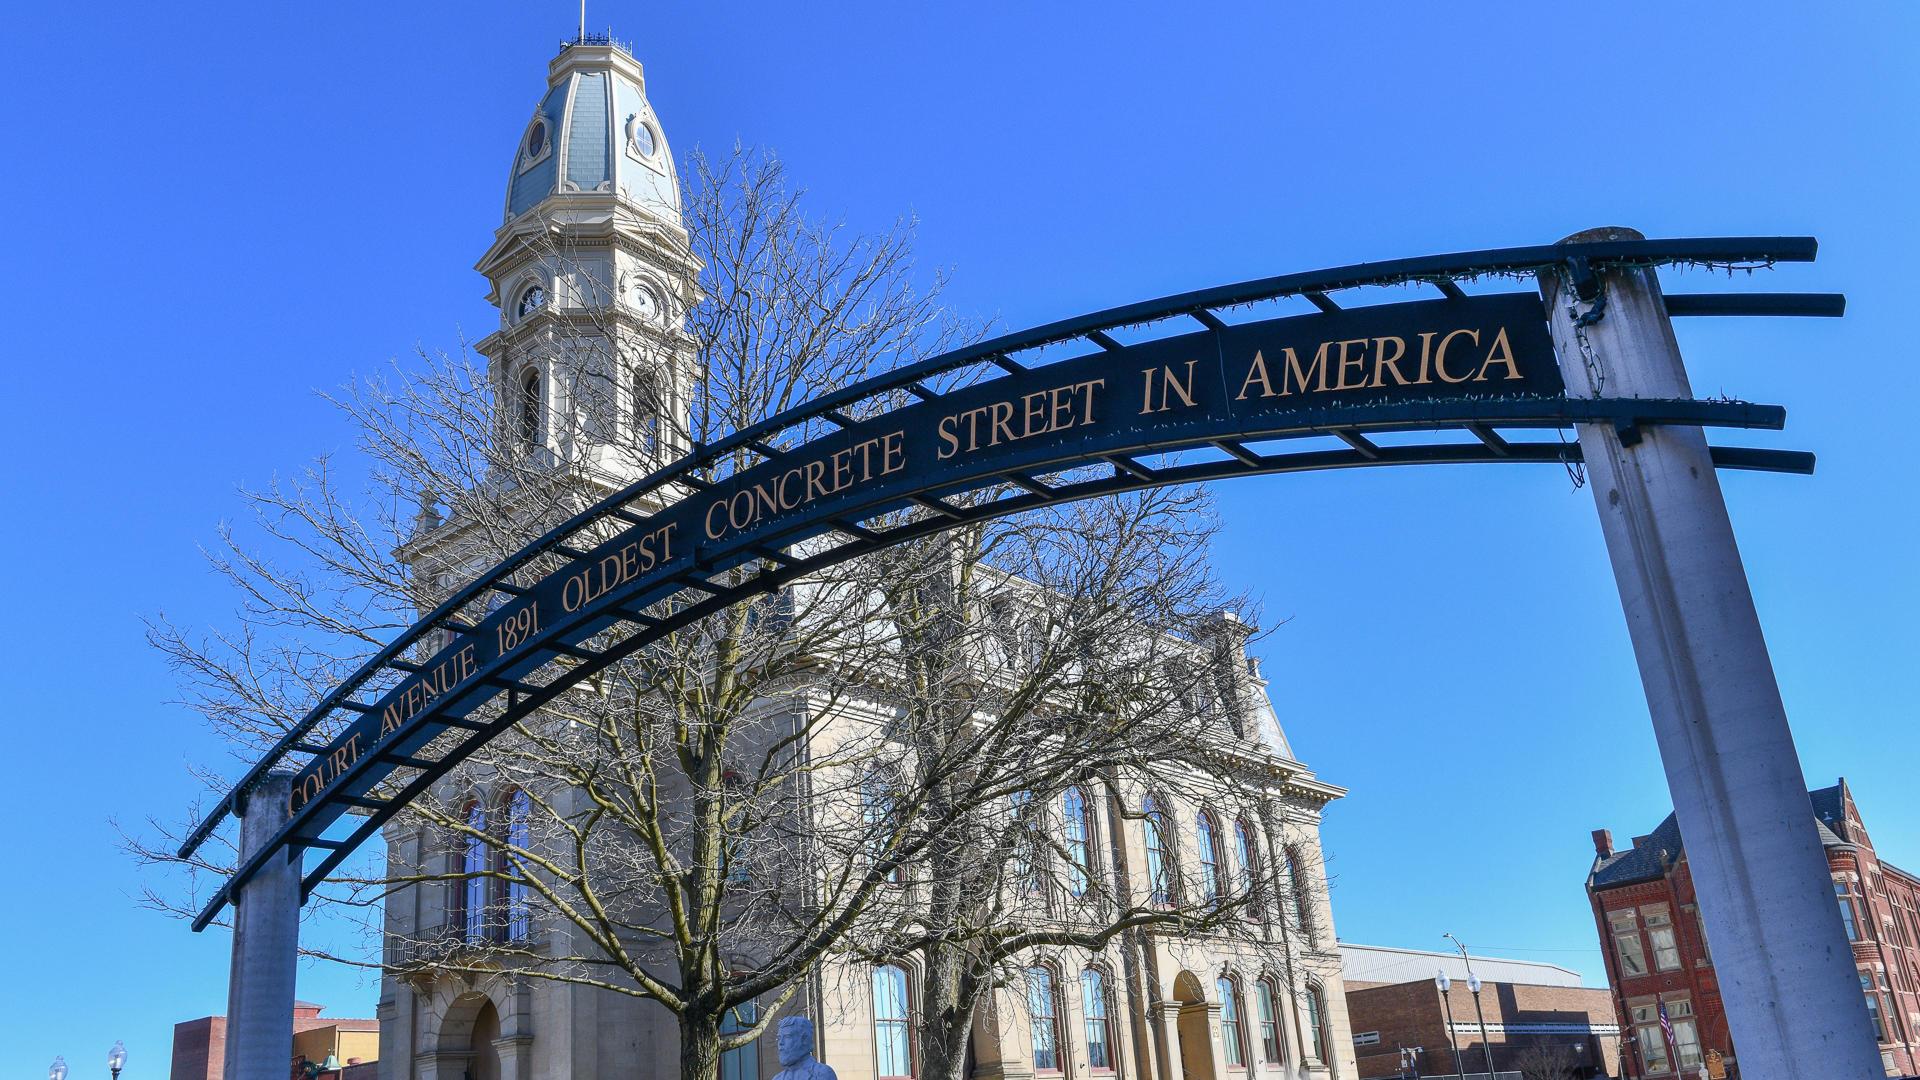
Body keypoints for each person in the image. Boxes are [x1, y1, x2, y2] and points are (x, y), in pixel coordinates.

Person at [771, 1016, 836, 1080]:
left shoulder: (822, 1074)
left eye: (787, 1037)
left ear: (804, 1039)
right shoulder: (778, 1078)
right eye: (779, 1038)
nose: (780, 1043)